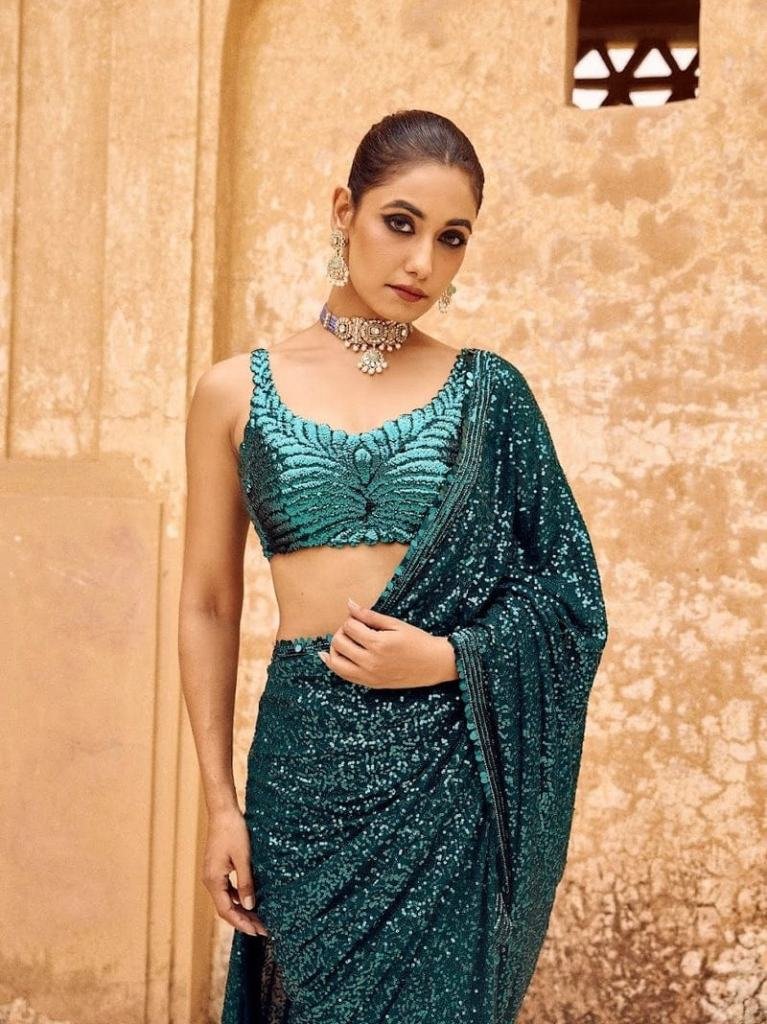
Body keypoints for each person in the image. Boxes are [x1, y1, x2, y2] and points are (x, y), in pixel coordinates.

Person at [178, 109, 609, 1024]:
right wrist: (219, 805)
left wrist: (451, 658)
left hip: (449, 768)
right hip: (306, 766)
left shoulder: (490, 393)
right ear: (345, 210)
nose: (421, 262)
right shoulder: (231, 390)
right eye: (399, 223)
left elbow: (570, 595)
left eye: (451, 238)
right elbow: (210, 603)